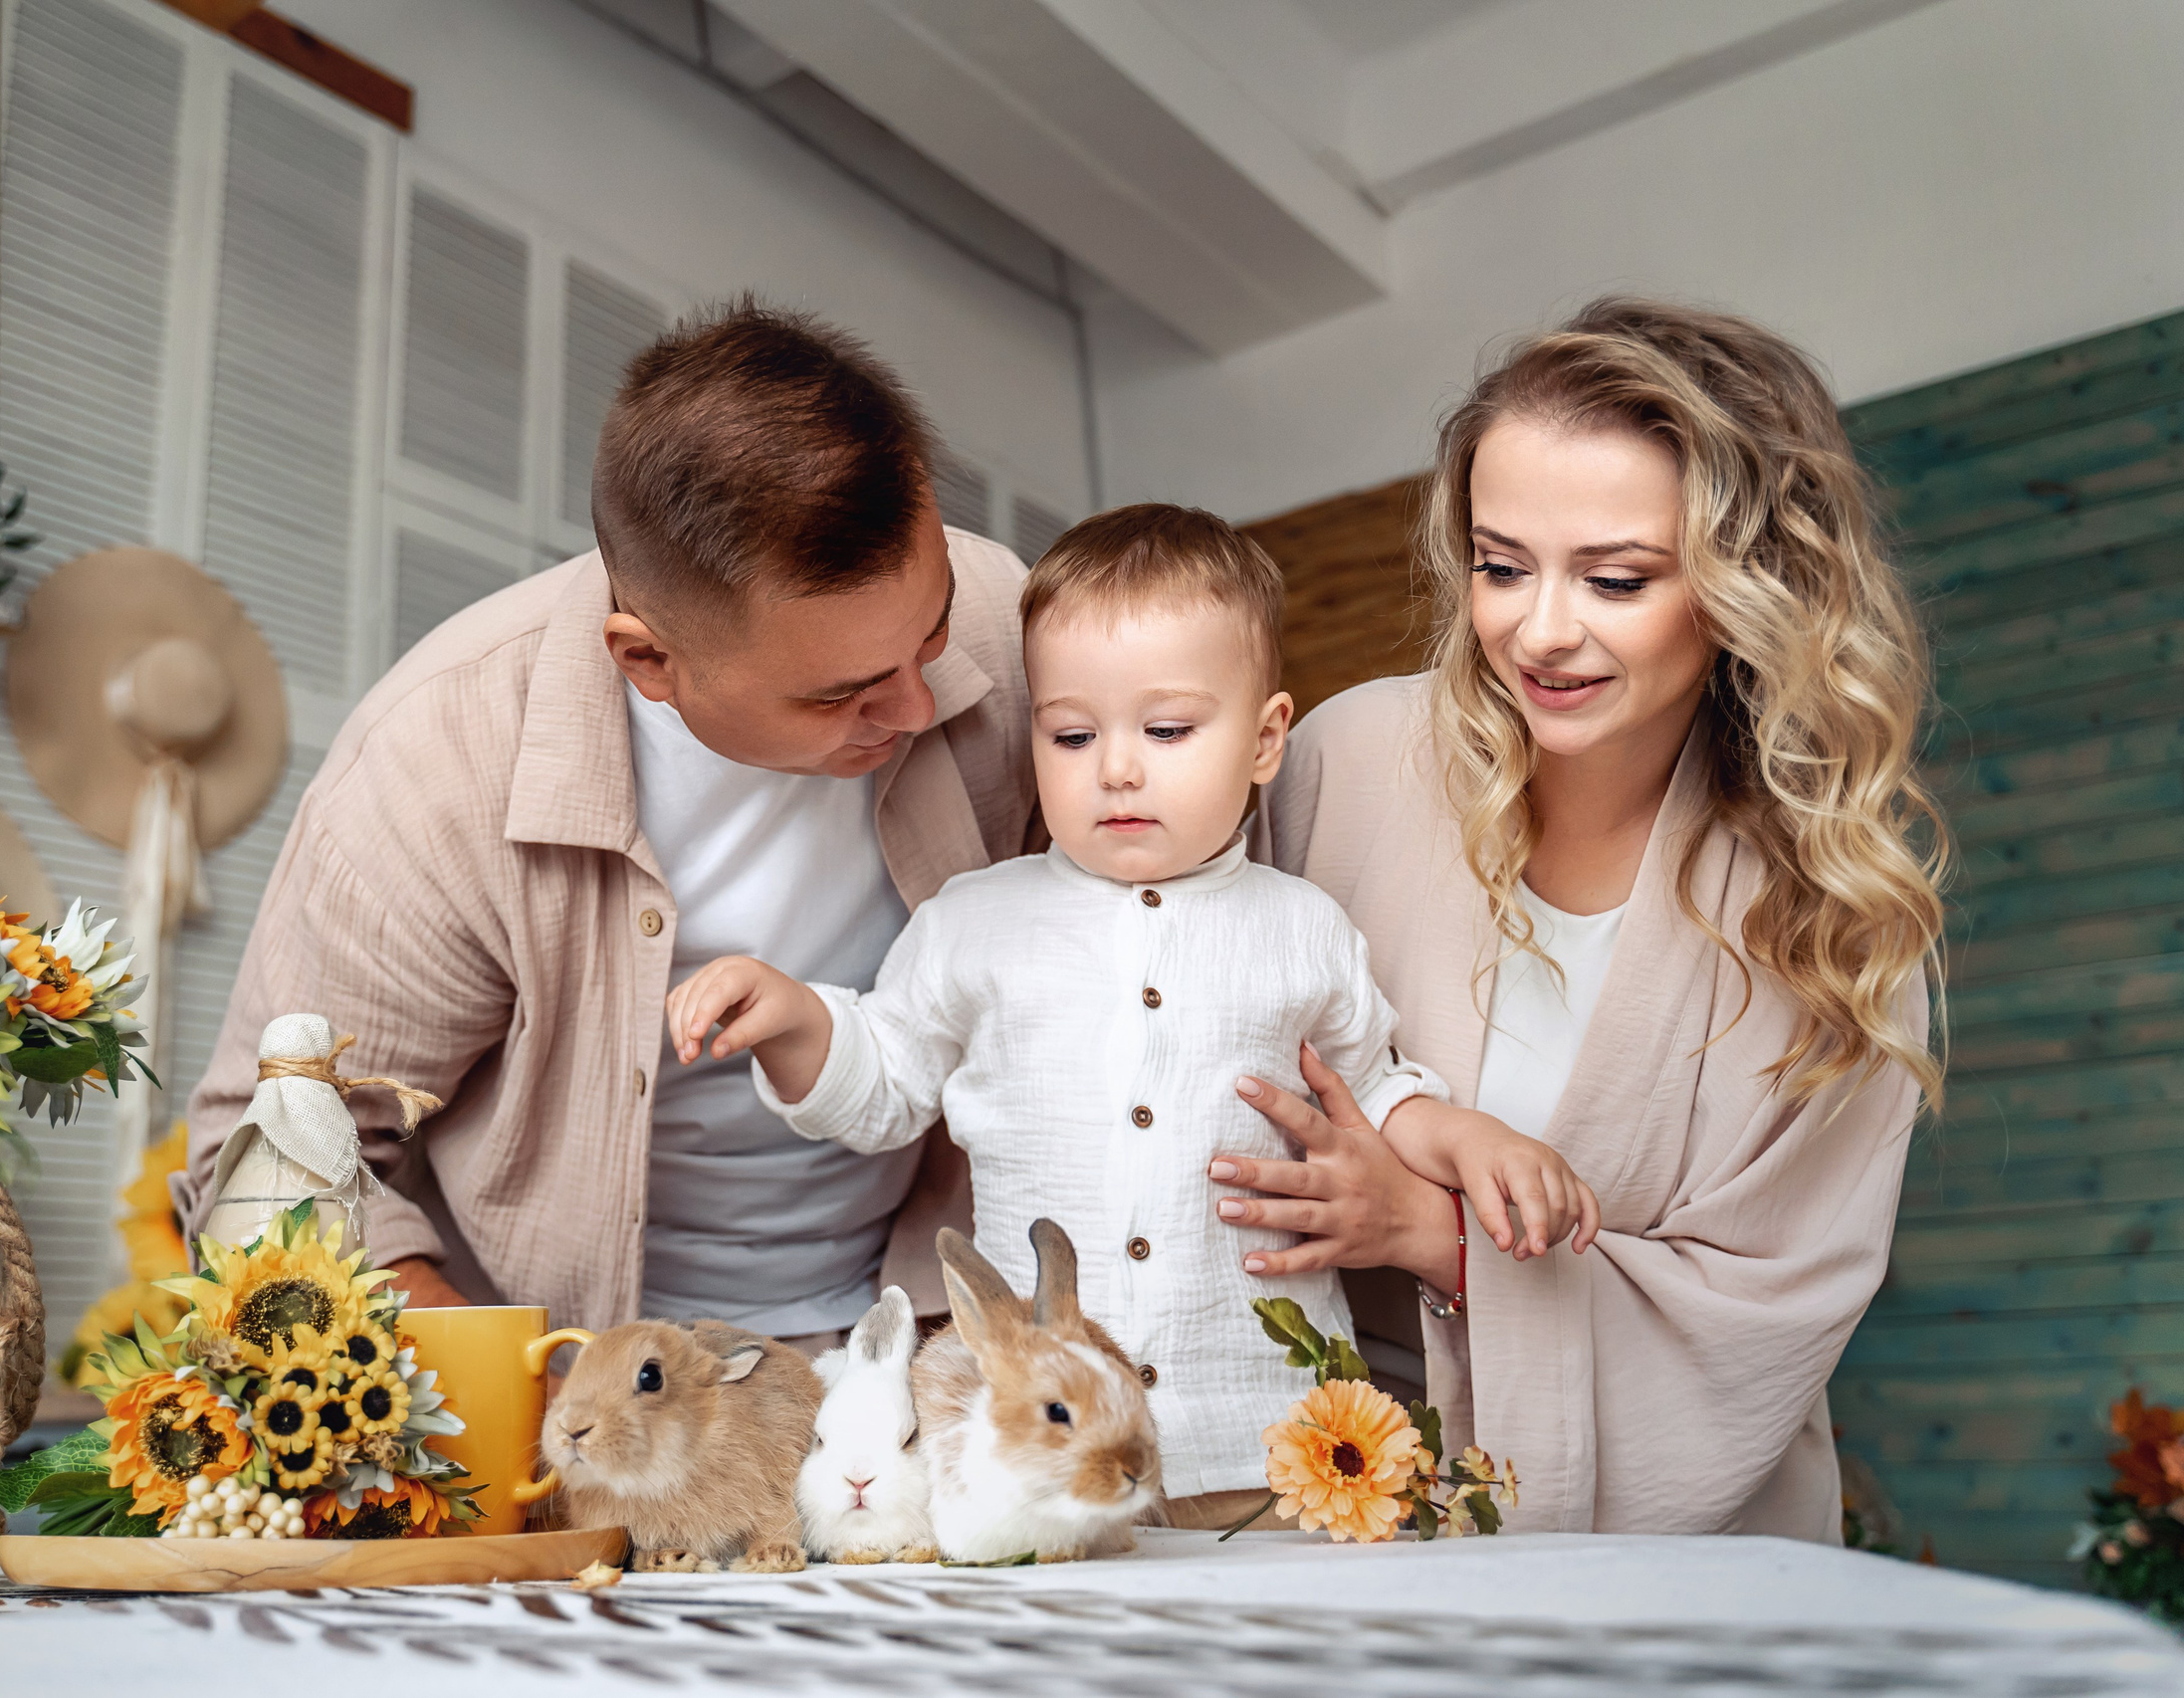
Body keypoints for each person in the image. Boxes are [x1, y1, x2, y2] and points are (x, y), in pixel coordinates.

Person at [664, 504, 1595, 1512]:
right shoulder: (973, 920)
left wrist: (1468, 1139)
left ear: (1264, 739)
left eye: (1166, 729)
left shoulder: (1303, 924)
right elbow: (881, 1086)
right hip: (1038, 1455)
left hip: (1272, 1444)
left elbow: (1372, 1088)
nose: (1114, 766)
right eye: (1070, 732)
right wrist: (799, 1018)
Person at [182, 301, 1039, 1347]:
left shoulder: (1010, 615)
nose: (920, 703)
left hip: (937, 1323)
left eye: (934, 629)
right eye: (840, 695)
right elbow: (263, 1156)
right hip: (588, 1369)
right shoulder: (434, 767)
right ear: (647, 660)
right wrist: (515, 1388)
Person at [1231, 298, 1946, 1538]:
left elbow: (1758, 1326)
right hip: (1315, 1518)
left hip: (1690, 1574)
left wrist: (1427, 1233)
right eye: (1500, 564)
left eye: (1614, 578)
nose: (1539, 629)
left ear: (1747, 585)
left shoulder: (1838, 921)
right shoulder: (1344, 763)